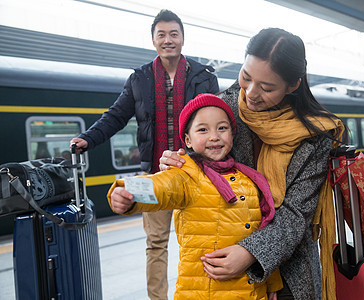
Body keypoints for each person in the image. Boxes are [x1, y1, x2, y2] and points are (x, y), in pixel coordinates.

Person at [160, 28, 346, 300]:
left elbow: (296, 214)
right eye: (246, 77)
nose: (250, 93)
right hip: (224, 268)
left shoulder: (315, 135)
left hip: (289, 273)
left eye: (267, 87)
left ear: (293, 85)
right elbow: (202, 166)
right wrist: (179, 162)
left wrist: (251, 253)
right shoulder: (222, 109)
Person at [70, 9, 219, 299]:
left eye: (173, 34)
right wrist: (89, 138)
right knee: (156, 244)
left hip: (198, 173)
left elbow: (217, 119)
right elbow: (116, 116)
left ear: (183, 39)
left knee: (203, 240)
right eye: (161, 34)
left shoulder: (203, 78)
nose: (168, 40)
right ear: (153, 40)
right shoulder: (139, 79)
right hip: (155, 174)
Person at [108, 93, 282, 299]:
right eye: (203, 130)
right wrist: (129, 193)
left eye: (222, 128)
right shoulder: (186, 175)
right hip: (203, 292)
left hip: (252, 292)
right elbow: (163, 186)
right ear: (188, 141)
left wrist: (272, 281)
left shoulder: (249, 179)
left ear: (232, 135)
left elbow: (262, 233)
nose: (214, 136)